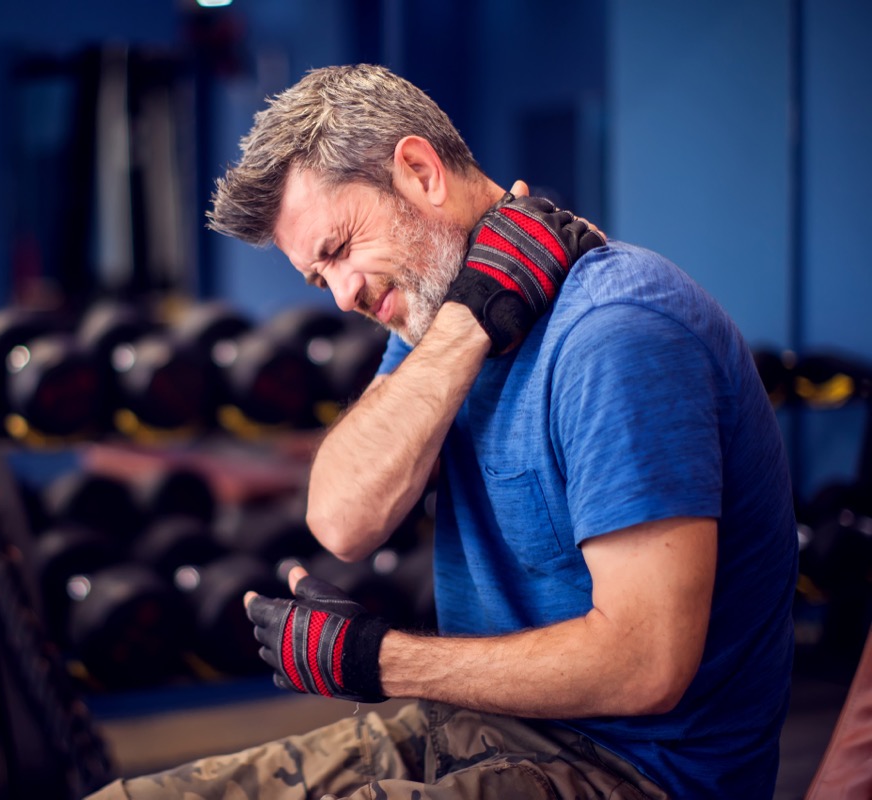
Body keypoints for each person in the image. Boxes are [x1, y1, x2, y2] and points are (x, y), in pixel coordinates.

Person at [88, 64, 797, 799]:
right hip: (485, 729)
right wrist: (467, 321)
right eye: (315, 279)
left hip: (637, 775)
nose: (342, 296)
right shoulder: (443, 310)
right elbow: (342, 520)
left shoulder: (618, 334)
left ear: (421, 171)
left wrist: (379, 661)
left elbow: (645, 664)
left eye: (337, 251)